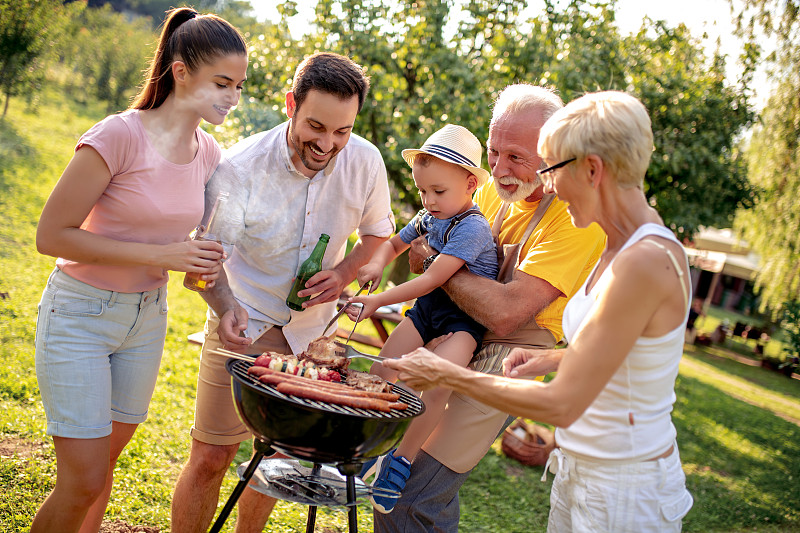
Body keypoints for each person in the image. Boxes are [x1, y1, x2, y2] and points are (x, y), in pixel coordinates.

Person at [386, 90, 695, 532]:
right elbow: (622, 353)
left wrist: (448, 375)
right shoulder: (617, 244)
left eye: (550, 168)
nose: (546, 186)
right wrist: (551, 358)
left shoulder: (645, 260)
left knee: (411, 497)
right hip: (578, 471)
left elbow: (563, 403)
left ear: (593, 170)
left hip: (624, 490)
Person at [31, 8, 247, 533]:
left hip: (145, 320)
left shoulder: (207, 151)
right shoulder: (118, 135)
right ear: (180, 72)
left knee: (101, 469)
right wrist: (162, 256)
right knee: (80, 479)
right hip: (80, 314)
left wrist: (227, 305)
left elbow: (196, 252)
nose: (232, 98)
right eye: (222, 83)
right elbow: (51, 235)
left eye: (239, 86)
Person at [170, 52, 395, 532]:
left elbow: (378, 237)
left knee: (271, 464)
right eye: (316, 126)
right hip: (244, 323)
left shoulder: (366, 161)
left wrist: (344, 273)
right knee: (212, 455)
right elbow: (206, 262)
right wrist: (226, 307)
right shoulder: (241, 167)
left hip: (314, 337)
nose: (328, 143)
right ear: (291, 103)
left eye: (342, 132)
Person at [373, 83, 607, 532]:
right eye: (494, 151)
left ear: (555, 152)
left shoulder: (577, 220)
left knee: (417, 491)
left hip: (510, 354)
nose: (498, 169)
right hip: (457, 327)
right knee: (389, 470)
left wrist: (441, 269)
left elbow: (506, 312)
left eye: (517, 156)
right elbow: (417, 247)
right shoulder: (486, 193)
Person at [344, 124, 498, 513]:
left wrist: (377, 301)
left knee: (439, 382)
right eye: (422, 191)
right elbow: (395, 243)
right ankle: (365, 444)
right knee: (383, 367)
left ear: (470, 185)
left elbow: (432, 276)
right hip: (430, 309)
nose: (428, 200)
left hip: (464, 321)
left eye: (438, 192)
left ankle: (402, 461)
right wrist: (377, 263)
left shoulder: (474, 227)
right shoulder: (432, 217)